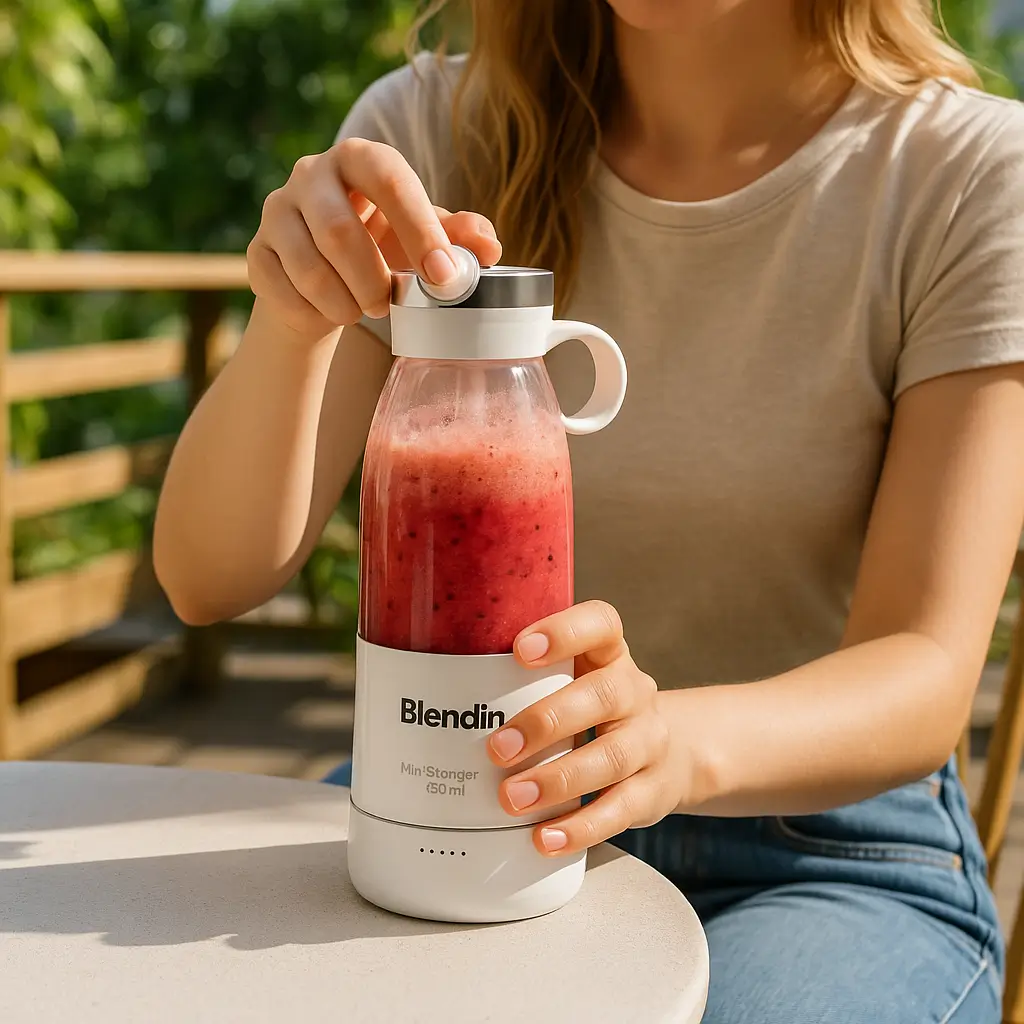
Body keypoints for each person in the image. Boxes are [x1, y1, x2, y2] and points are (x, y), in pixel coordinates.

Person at [153, 1, 1024, 1019]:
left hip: (822, 849)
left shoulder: (965, 173)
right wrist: (295, 316)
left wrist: (667, 743)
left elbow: (922, 666)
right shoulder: (433, 135)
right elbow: (208, 578)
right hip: (455, 797)